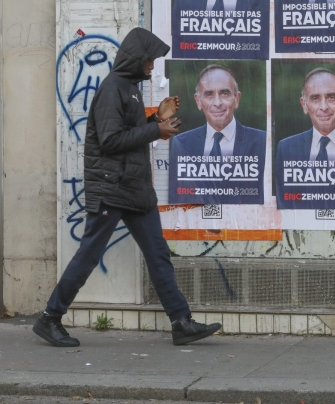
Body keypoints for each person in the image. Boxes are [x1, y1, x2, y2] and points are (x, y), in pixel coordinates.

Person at [33, 28, 222, 348]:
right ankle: (50, 318)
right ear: (136, 58)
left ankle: (181, 321)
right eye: (149, 59)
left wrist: (156, 122)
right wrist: (155, 130)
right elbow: (110, 141)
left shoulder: (130, 88)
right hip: (112, 188)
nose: (152, 65)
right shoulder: (112, 90)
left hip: (134, 190)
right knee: (89, 255)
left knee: (158, 253)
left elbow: (129, 133)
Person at [275, 68, 335, 208]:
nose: (324, 107)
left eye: (331, 97)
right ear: (304, 105)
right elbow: (285, 208)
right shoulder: (286, 149)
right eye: (315, 98)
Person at [168, 65, 266, 204]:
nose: (217, 103)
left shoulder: (262, 142)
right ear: (198, 101)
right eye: (209, 94)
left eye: (224, 93)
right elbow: (178, 198)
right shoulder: (183, 144)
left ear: (237, 99)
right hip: (201, 223)